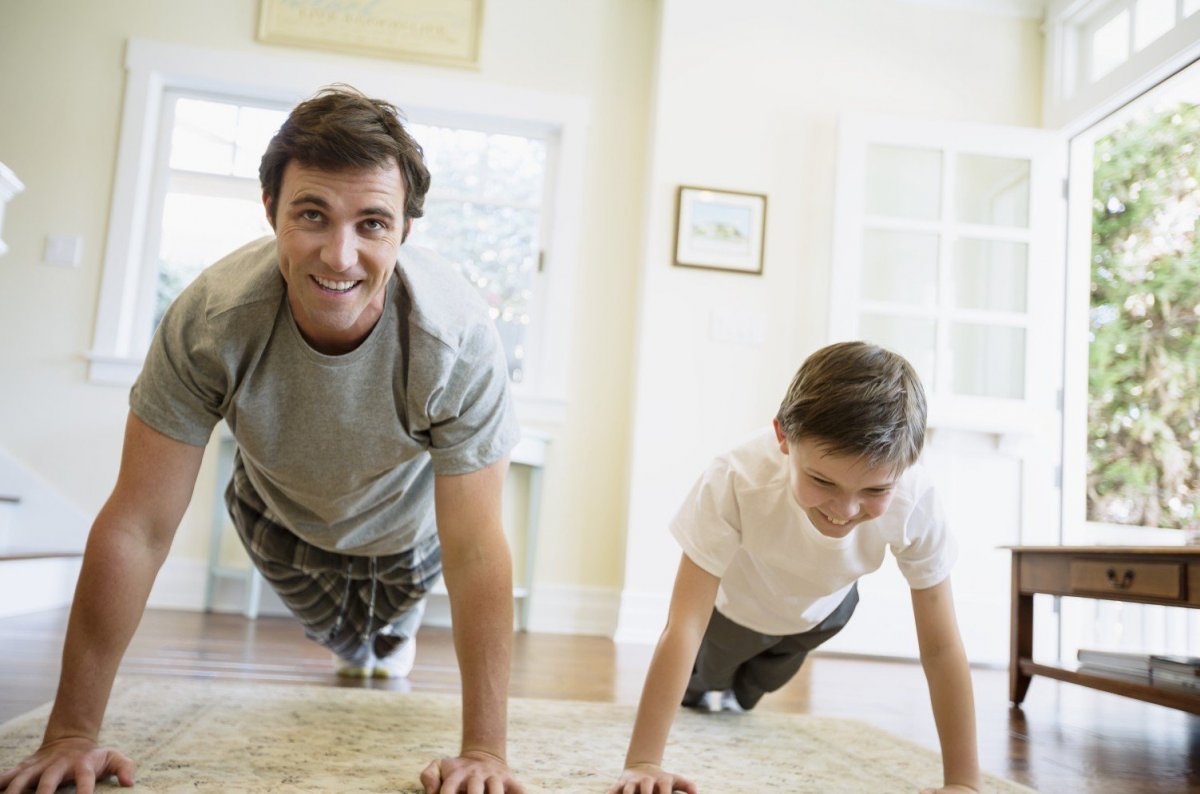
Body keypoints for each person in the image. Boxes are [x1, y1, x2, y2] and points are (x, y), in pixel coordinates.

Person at [0, 86, 526, 794]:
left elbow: (474, 547)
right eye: (313, 214)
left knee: (377, 633)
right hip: (278, 519)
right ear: (270, 211)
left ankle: (388, 636)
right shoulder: (212, 321)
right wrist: (70, 732)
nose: (340, 256)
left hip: (410, 537)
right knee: (337, 637)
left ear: (405, 231)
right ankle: (364, 640)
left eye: (372, 223)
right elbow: (137, 525)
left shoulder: (456, 339)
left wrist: (486, 752)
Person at [608, 341, 981, 794]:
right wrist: (644, 761)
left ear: (908, 463)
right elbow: (684, 623)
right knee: (707, 683)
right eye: (822, 480)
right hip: (734, 614)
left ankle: (737, 694)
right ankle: (709, 688)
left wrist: (964, 783)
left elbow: (941, 647)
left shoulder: (916, 498)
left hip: (823, 615)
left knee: (751, 692)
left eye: (874, 490)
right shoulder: (736, 476)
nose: (845, 510)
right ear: (784, 437)